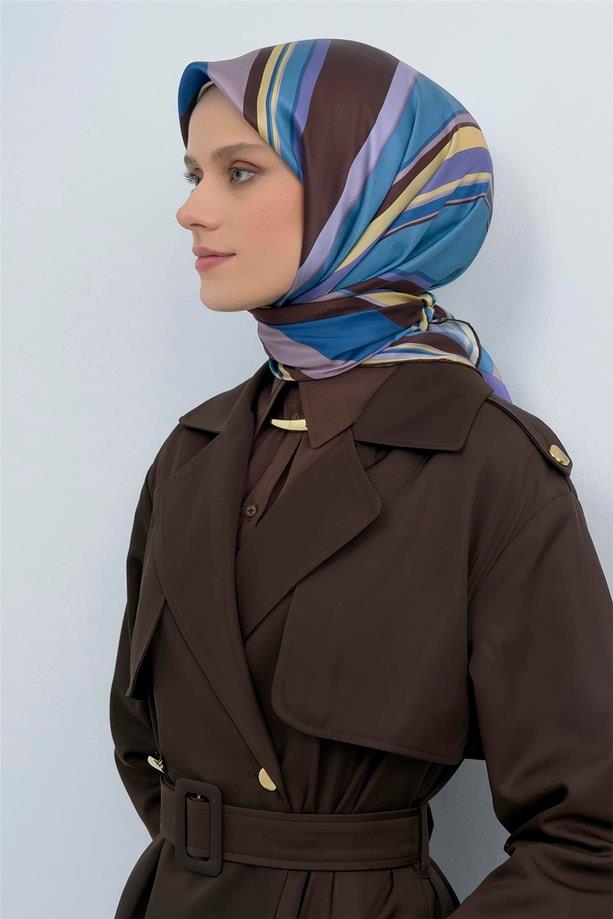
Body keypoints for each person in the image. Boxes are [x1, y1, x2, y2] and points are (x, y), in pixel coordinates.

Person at [109, 38, 613, 918]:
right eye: (193, 172)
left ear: (364, 194)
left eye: (238, 172)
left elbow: (591, 835)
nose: (191, 209)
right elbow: (145, 747)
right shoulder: (192, 451)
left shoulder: (486, 467)